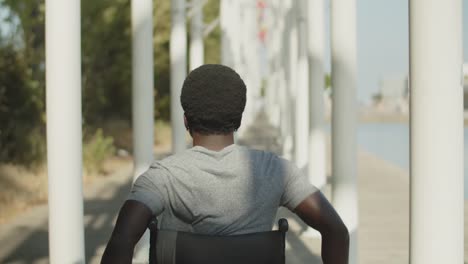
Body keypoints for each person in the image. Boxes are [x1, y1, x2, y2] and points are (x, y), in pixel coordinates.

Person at [101, 64, 349, 264]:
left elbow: (121, 241)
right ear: (239, 120)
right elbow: (335, 230)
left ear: (186, 121)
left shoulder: (162, 177)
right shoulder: (276, 171)